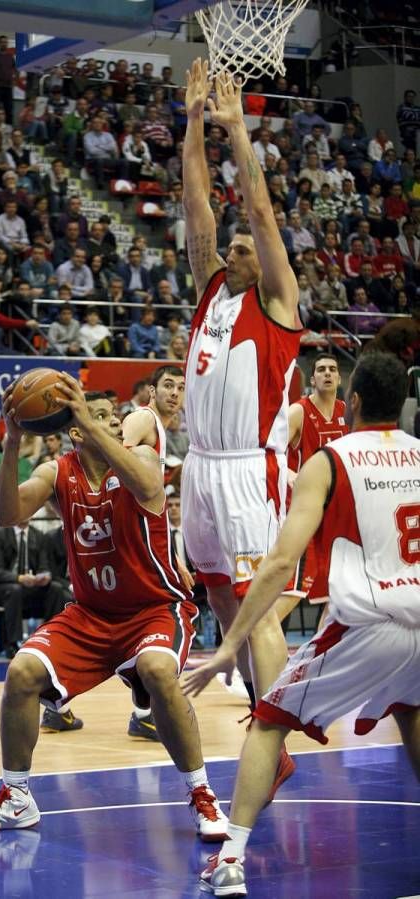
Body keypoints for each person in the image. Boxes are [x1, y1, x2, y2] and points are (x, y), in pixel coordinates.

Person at [183, 352, 420, 896]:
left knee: (268, 720)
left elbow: (280, 561)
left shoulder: (329, 461)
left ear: (353, 400)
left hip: (370, 623)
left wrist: (229, 645)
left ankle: (232, 859)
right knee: (411, 710)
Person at [0, 379, 227, 841]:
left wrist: (91, 422)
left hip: (152, 609)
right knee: (21, 673)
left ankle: (202, 795)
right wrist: (13, 441)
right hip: (91, 615)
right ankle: (16, 797)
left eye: (114, 419)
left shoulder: (140, 460)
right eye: (99, 417)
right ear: (75, 431)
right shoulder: (58, 471)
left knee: (158, 670)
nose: (112, 424)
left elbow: (145, 485)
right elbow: (7, 515)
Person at [181, 61, 302, 783]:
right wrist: (194, 120)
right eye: (231, 244)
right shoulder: (209, 292)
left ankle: (275, 733)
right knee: (223, 597)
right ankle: (264, 708)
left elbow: (257, 208)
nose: (236, 243)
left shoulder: (278, 303)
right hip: (199, 467)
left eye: (247, 245)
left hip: (248, 470)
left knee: (255, 610)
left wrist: (237, 131)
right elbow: (198, 204)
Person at [121, 364, 187, 740]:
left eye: (180, 387)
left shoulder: (161, 431)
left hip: (143, 540)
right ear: (151, 390)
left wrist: (171, 556)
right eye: (167, 385)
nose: (175, 393)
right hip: (124, 538)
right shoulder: (143, 418)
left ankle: (142, 710)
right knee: (160, 615)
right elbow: (110, 454)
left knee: (143, 621)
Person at [276, 354, 349, 625]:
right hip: (301, 511)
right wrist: (290, 473)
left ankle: (322, 657)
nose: (327, 373)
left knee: (335, 594)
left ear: (340, 379)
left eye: (332, 369)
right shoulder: (298, 411)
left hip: (335, 514)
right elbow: (269, 451)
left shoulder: (346, 412)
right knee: (295, 589)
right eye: (321, 369)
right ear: (312, 378)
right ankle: (256, 634)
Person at [0, 519, 70, 660]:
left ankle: (51, 638)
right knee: (15, 590)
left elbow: (44, 566)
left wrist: (44, 576)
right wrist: (20, 578)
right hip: (2, 586)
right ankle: (13, 644)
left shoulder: (38, 535)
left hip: (31, 585)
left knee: (56, 589)